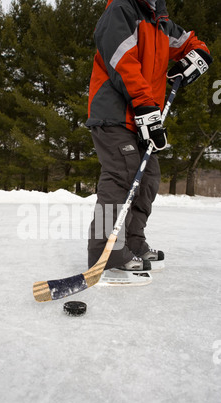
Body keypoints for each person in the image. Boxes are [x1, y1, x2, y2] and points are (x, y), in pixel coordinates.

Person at [86, 0, 212, 272]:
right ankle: (105, 253)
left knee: (148, 178)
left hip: (144, 116)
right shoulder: (121, 9)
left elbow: (190, 43)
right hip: (116, 113)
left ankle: (132, 242)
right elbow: (121, 61)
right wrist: (145, 105)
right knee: (122, 175)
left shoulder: (161, 22)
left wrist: (197, 56)